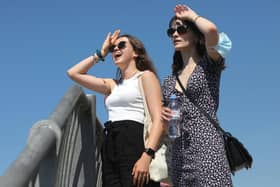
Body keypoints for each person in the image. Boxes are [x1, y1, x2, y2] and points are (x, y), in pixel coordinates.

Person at [67, 30, 164, 187]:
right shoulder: (112, 84)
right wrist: (101, 53)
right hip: (110, 142)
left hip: (133, 139)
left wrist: (147, 155)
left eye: (122, 45)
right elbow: (73, 73)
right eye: (113, 48)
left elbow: (158, 118)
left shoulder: (145, 76)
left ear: (136, 53)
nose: (116, 49)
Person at [161, 4, 233, 187]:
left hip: (207, 148)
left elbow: (211, 31)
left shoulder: (208, 64)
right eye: (172, 31)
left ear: (194, 33)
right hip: (179, 156)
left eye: (181, 29)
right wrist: (164, 118)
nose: (175, 34)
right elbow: (165, 127)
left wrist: (192, 16)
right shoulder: (169, 81)